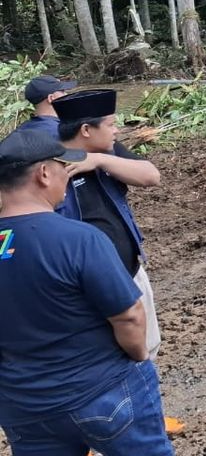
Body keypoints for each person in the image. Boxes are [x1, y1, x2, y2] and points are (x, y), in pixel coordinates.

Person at [0, 129, 175, 456]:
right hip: (102, 391)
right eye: (62, 168)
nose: (66, 178)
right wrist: (138, 356)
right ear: (43, 173)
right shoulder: (79, 239)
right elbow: (129, 316)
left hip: (24, 407)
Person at [53, 90, 166, 361]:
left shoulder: (108, 151)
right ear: (86, 130)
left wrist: (100, 161)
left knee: (147, 349)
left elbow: (151, 176)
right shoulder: (50, 165)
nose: (117, 130)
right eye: (111, 124)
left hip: (130, 271)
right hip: (87, 287)